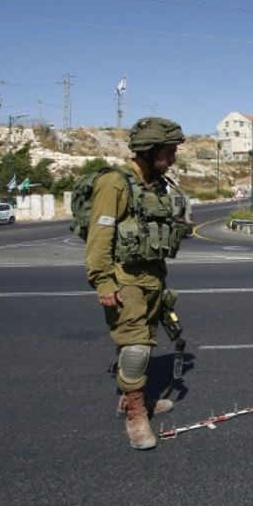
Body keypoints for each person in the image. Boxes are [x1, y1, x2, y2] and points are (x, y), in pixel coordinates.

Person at [85, 117, 188, 450]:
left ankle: (134, 398)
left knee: (147, 340)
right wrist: (103, 282)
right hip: (124, 279)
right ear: (150, 149)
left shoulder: (156, 184)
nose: (173, 159)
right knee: (135, 349)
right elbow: (99, 236)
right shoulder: (114, 183)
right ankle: (136, 417)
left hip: (152, 279)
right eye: (169, 152)